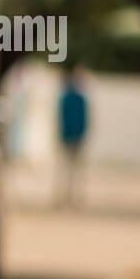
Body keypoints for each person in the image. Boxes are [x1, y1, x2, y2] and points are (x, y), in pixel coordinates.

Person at [56, 68, 89, 207]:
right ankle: (68, 197)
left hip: (70, 137)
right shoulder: (76, 98)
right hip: (72, 137)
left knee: (69, 170)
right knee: (70, 170)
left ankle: (70, 197)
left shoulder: (68, 98)